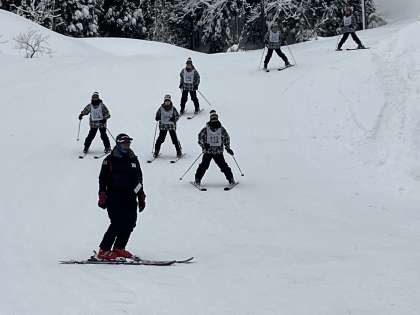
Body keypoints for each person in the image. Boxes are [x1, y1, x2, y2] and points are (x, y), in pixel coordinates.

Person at [97, 133, 146, 260]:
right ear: (118, 144)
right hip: (114, 197)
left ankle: (119, 247)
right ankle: (104, 250)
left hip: (130, 197)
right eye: (124, 143)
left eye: (128, 143)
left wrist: (141, 195)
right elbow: (102, 179)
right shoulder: (109, 160)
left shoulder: (133, 159)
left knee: (130, 222)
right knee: (117, 222)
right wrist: (102, 194)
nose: (127, 145)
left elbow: (139, 179)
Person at [194, 110, 235, 185]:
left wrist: (227, 147)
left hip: (218, 152)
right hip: (208, 151)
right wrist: (204, 145)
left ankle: (231, 179)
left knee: (223, 166)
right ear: (210, 119)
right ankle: (197, 179)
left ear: (217, 119)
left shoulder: (221, 129)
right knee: (203, 166)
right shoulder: (206, 129)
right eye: (213, 119)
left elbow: (226, 138)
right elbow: (200, 138)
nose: (214, 120)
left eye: (215, 119)